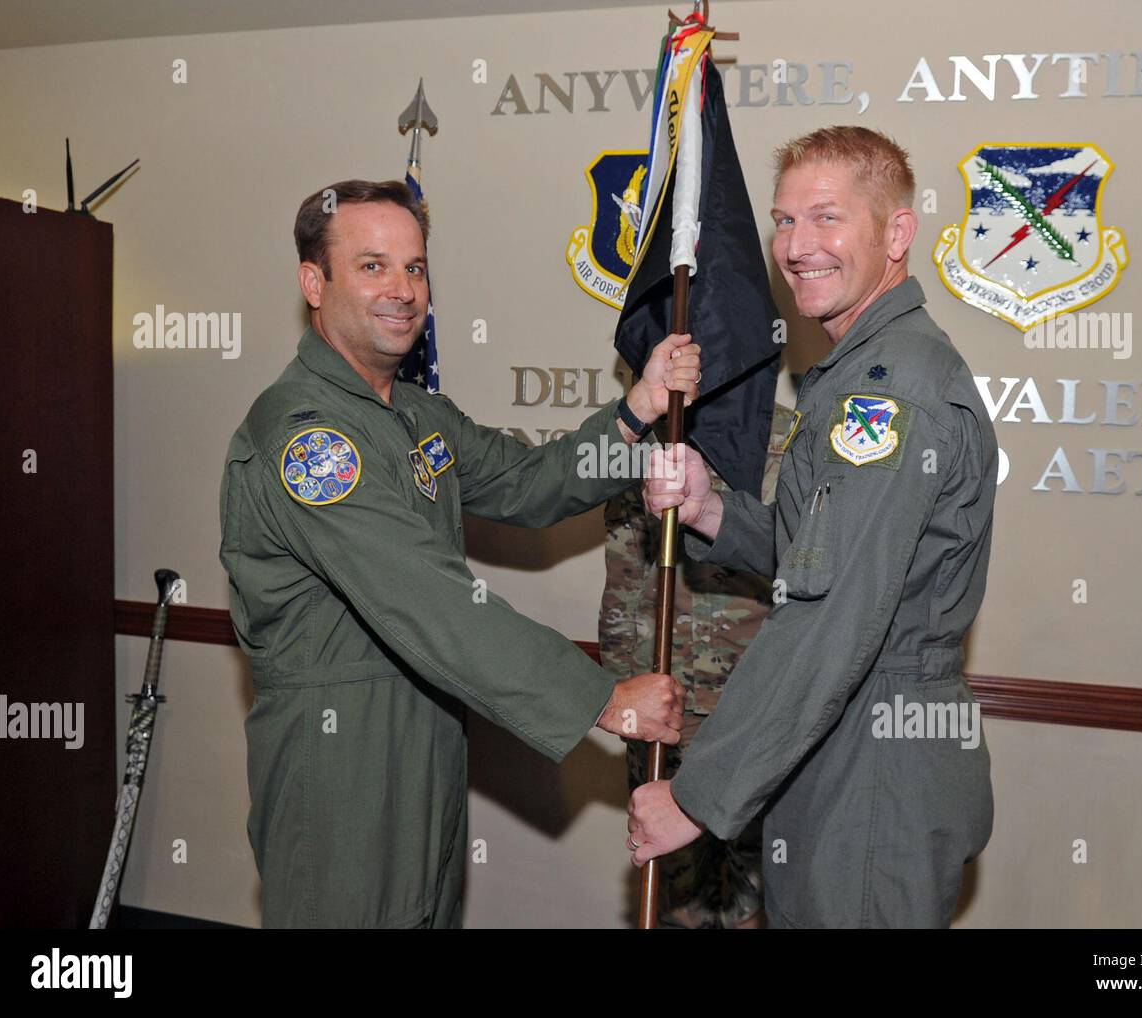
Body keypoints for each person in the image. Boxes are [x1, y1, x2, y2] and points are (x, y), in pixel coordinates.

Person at [219, 179, 700, 928]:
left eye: (415, 267)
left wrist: (637, 409)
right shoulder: (307, 439)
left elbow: (528, 483)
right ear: (314, 282)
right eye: (373, 265)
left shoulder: (412, 412)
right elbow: (429, 597)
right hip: (342, 752)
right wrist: (601, 698)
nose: (403, 290)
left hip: (431, 725)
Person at [627, 127, 998, 928]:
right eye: (784, 221)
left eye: (826, 219)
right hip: (850, 750)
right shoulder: (860, 368)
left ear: (897, 234)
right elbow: (822, 557)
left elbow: (833, 616)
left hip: (874, 767)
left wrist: (698, 798)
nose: (797, 247)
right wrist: (709, 511)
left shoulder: (889, 392)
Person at [600, 401, 797, 929]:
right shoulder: (644, 447)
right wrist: (625, 698)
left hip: (753, 718)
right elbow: (625, 578)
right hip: (664, 711)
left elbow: (802, 573)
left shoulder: (785, 437)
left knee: (758, 893)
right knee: (672, 891)